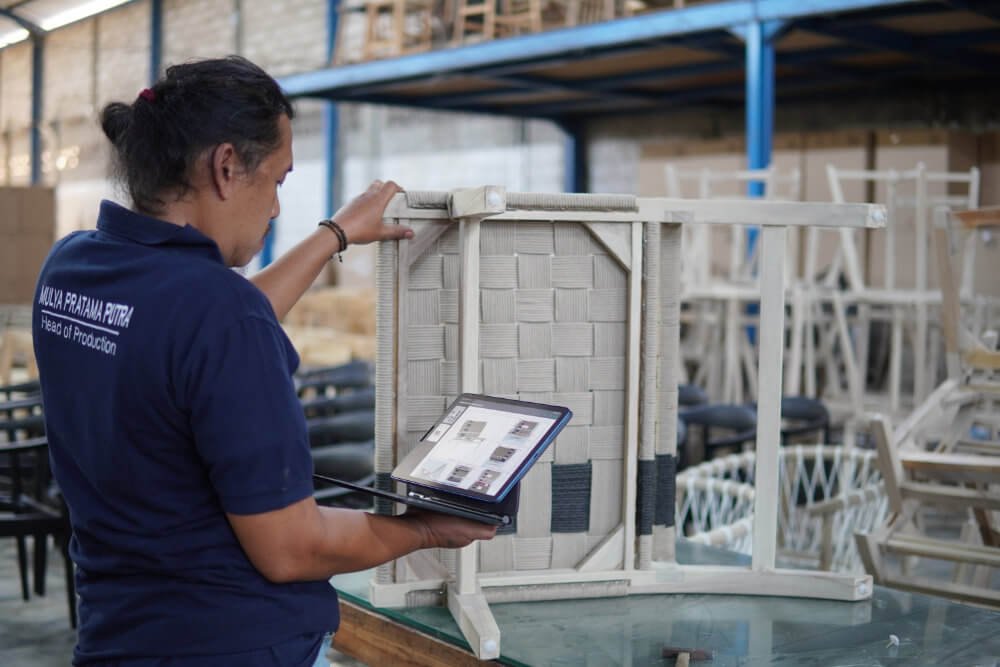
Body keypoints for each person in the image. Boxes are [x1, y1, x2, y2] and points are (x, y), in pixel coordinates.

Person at [32, 55, 496, 667]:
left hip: (120, 633)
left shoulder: (71, 269)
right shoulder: (219, 316)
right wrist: (427, 529)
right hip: (234, 643)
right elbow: (292, 549)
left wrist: (334, 234)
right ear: (226, 167)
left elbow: (197, 332)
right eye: (278, 180)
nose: (277, 208)